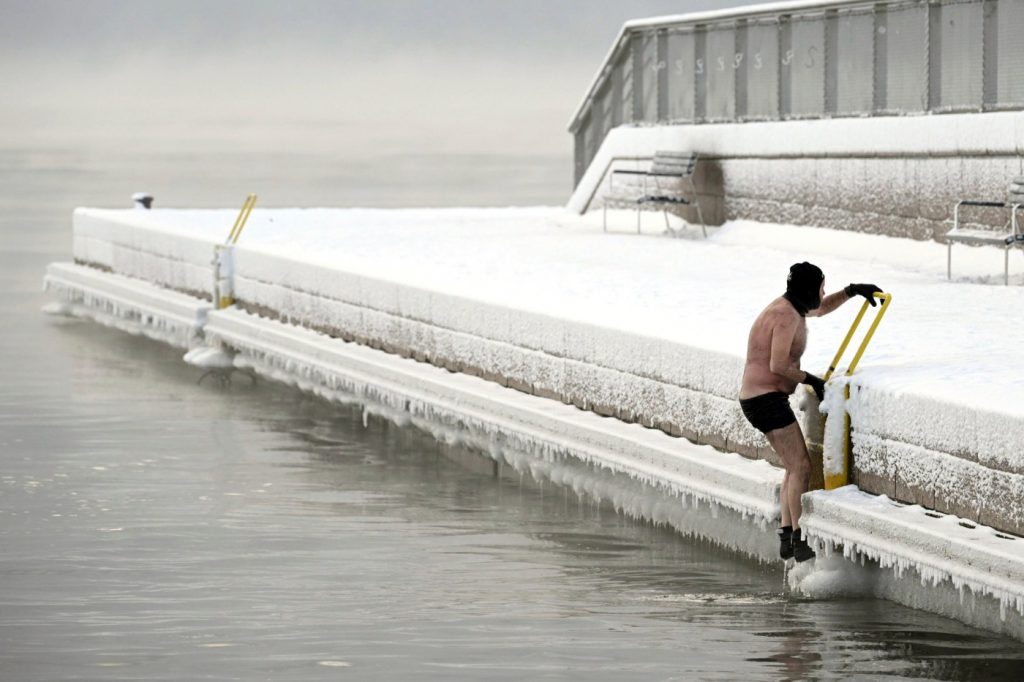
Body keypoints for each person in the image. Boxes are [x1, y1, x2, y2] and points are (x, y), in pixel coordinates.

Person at [739, 262, 880, 562]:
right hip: (765, 400)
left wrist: (853, 291)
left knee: (793, 467)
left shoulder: (793, 307)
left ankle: (788, 536)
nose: (824, 292)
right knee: (801, 467)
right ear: (807, 289)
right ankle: (798, 538)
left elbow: (821, 308)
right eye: (821, 287)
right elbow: (777, 366)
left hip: (764, 398)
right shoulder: (785, 316)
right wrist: (812, 380)